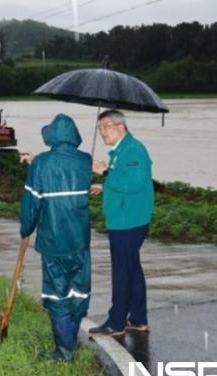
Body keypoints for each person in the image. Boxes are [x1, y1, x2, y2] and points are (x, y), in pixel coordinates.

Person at [20, 113, 92, 362]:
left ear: (51, 135)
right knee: (79, 290)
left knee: (56, 293)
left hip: (54, 240)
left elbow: (32, 203)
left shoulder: (41, 163)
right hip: (80, 240)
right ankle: (70, 340)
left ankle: (63, 352)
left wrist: (25, 229)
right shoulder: (85, 160)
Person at [88, 109, 154, 336]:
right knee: (132, 268)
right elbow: (125, 181)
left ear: (120, 127)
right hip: (125, 218)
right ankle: (137, 318)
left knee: (122, 271)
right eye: (100, 128)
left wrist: (106, 173)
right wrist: (105, 185)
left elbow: (134, 183)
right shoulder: (120, 151)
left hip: (128, 221)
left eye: (106, 127)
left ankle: (116, 323)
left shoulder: (133, 150)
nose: (102, 132)